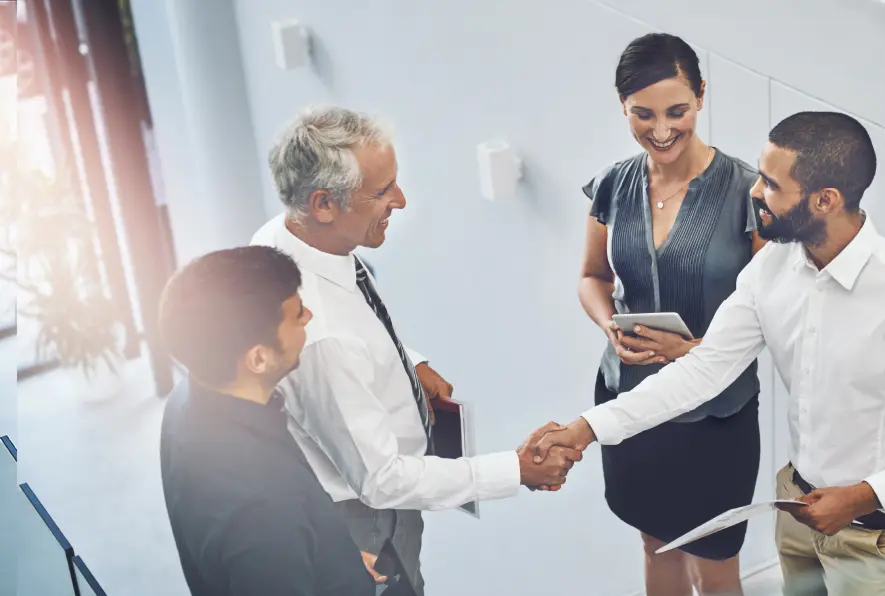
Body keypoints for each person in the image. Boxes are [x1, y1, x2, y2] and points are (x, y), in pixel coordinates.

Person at [532, 111, 885, 596]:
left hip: (873, 532)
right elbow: (705, 369)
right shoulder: (771, 268)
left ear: (826, 200)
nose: (754, 193)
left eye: (771, 185)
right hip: (797, 506)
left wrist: (863, 497)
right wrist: (587, 429)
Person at [251, 105, 579, 596]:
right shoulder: (323, 338)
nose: (400, 201)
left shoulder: (284, 239)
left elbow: (354, 316)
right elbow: (382, 480)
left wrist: (409, 361)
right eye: (382, 192)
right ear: (323, 204)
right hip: (371, 525)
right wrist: (516, 469)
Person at [575, 32, 768, 596]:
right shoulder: (613, 183)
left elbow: (767, 314)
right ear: (623, 106)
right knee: (654, 542)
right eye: (643, 115)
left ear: (702, 97)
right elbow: (592, 277)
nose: (661, 131)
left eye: (677, 111)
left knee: (714, 563)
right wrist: (609, 323)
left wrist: (695, 352)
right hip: (630, 398)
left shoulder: (747, 194)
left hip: (716, 415)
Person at [158, 246, 384, 596]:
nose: (308, 315)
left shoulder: (186, 399)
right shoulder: (264, 507)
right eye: (296, 314)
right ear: (258, 358)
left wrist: (336, 560)